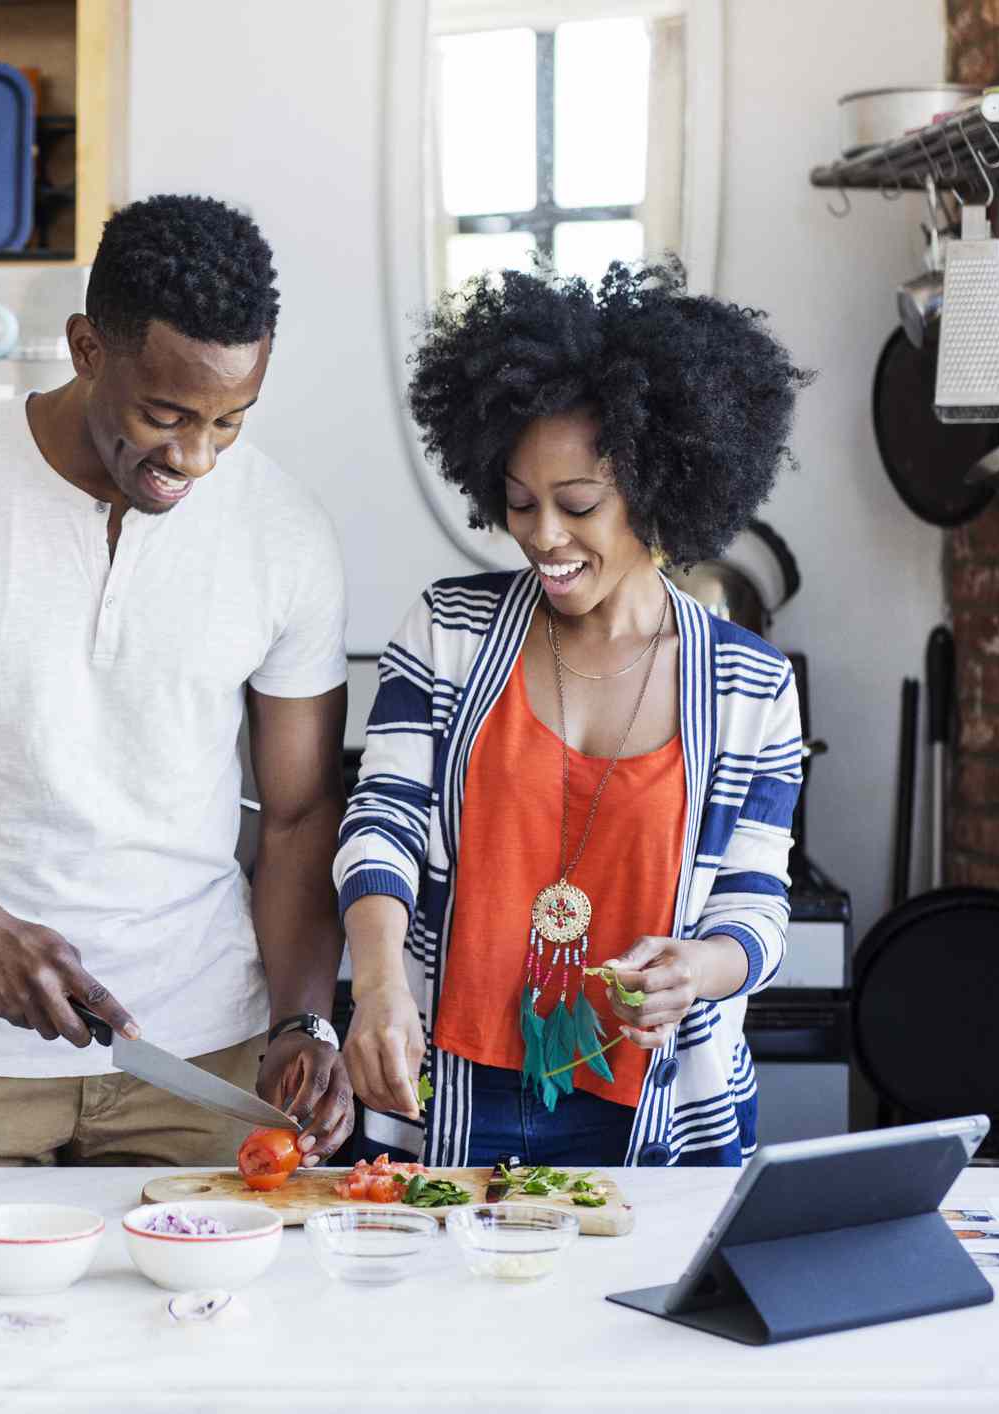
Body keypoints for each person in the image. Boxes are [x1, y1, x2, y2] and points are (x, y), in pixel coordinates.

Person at [0, 195, 354, 1167]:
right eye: (165, 415)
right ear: (86, 348)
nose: (195, 458)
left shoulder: (285, 534)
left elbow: (298, 815)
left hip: (203, 1051)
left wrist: (302, 1022)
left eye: (230, 423)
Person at [335, 259, 812, 1168]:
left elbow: (756, 905)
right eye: (518, 503)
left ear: (662, 485)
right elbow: (380, 824)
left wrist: (693, 973)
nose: (542, 536)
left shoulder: (752, 686)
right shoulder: (448, 632)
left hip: (653, 1101)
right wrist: (379, 986)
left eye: (578, 505)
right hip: (444, 1085)